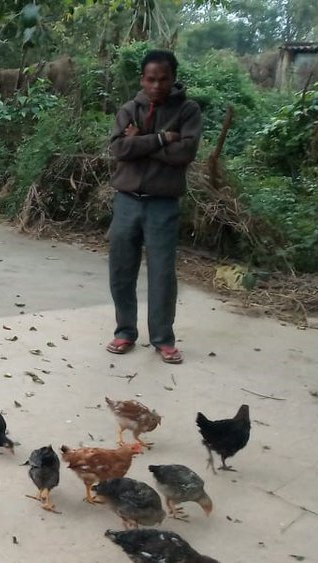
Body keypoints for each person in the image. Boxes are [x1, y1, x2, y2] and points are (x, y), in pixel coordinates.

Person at [106, 49, 202, 364]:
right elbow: (119, 147)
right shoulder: (129, 109)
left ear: (173, 79)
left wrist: (142, 141)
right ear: (142, 80)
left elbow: (184, 154)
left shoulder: (188, 111)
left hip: (163, 204)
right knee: (121, 269)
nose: (156, 86)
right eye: (151, 79)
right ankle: (125, 332)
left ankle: (163, 339)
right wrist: (161, 139)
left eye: (163, 79)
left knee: (162, 273)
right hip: (127, 202)